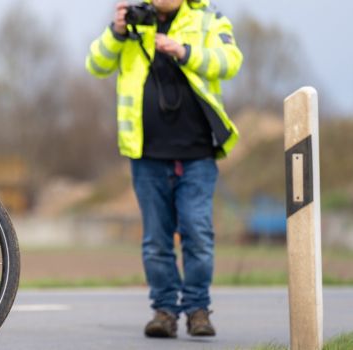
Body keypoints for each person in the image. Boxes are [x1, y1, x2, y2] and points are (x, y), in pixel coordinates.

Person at [85, 0, 243, 339]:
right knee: (156, 240)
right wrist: (116, 32)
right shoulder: (132, 22)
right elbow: (95, 63)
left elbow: (230, 62)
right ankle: (165, 312)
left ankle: (198, 310)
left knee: (197, 234)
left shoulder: (209, 18)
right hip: (146, 153)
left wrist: (183, 51)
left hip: (197, 152)